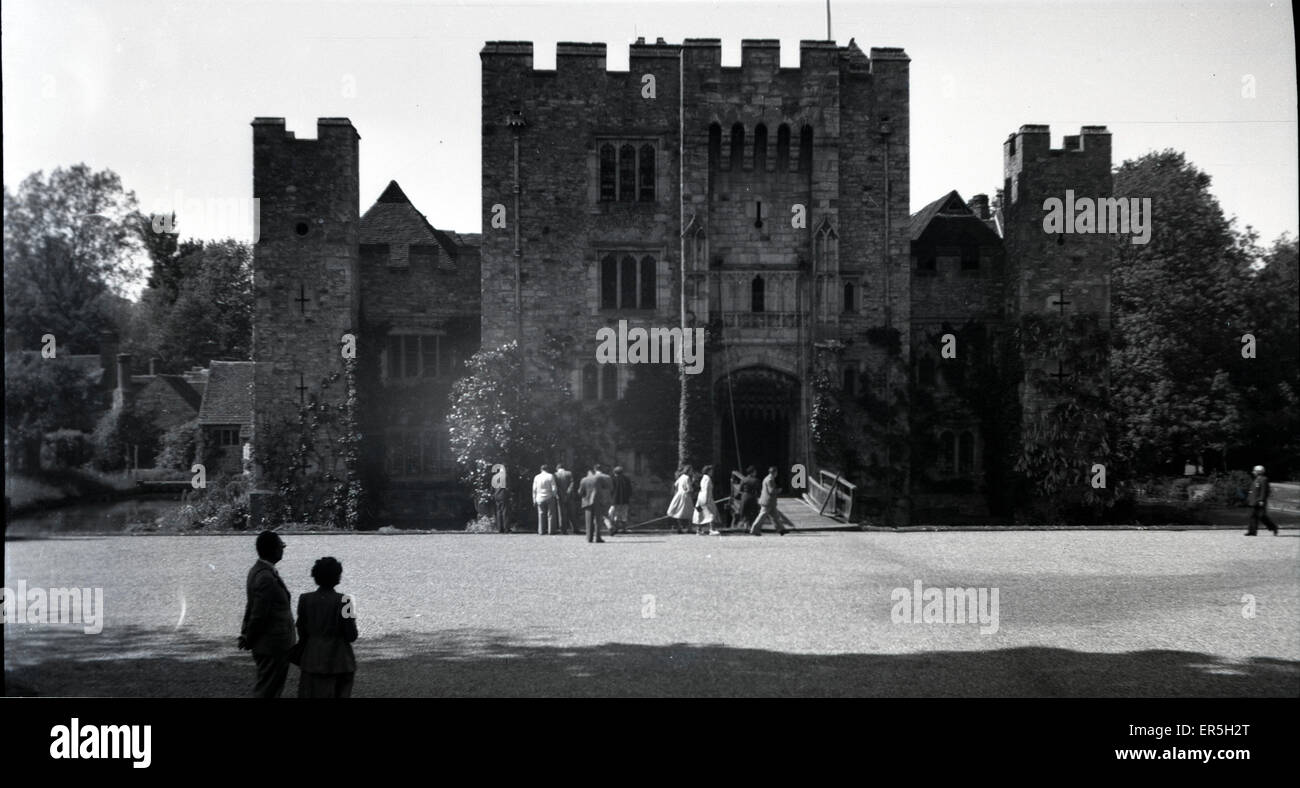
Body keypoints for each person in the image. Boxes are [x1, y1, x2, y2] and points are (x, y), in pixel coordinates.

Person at [238, 530, 296, 698]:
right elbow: (259, 614)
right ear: (274, 549)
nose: (283, 549)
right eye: (281, 546)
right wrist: (250, 636)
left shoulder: (258, 571)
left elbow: (252, 607)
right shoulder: (266, 577)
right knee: (268, 690)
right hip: (273, 644)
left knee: (269, 687)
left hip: (269, 643)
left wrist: (246, 634)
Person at [296, 557, 358, 698]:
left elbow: (301, 629)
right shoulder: (346, 601)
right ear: (337, 576)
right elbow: (351, 635)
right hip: (339, 659)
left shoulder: (305, 599)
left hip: (312, 658)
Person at [749, 466, 789, 536]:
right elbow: (771, 491)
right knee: (762, 516)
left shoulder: (767, 478)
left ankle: (781, 529)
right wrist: (778, 490)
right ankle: (754, 529)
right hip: (768, 501)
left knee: (775, 516)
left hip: (769, 501)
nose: (777, 474)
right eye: (776, 472)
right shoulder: (770, 480)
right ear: (774, 472)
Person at [1246, 464, 1279, 536]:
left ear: (1259, 472)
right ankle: (1252, 531)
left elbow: (1263, 491)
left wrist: (1261, 500)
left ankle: (1273, 527)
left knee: (1262, 516)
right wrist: (1249, 499)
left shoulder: (1264, 479)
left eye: (1254, 471)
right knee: (1252, 516)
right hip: (1253, 501)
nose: (1253, 472)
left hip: (1259, 501)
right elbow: (1253, 491)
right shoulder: (1256, 479)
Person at [578, 466, 605, 543]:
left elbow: (580, 492)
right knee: (597, 520)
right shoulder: (598, 479)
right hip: (597, 501)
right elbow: (602, 489)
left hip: (587, 502)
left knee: (588, 521)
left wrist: (584, 495)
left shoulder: (583, 480)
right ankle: (598, 537)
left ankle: (589, 538)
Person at [693, 465, 721, 535]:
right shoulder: (707, 478)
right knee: (712, 512)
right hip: (706, 498)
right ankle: (711, 529)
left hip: (701, 497)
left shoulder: (704, 478)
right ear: (708, 471)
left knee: (700, 513)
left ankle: (699, 530)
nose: (712, 472)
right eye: (711, 471)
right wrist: (707, 500)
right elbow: (706, 489)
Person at [666, 465, 694, 534]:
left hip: (679, 495)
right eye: (691, 470)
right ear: (689, 470)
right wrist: (690, 488)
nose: (692, 472)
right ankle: (689, 528)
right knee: (690, 512)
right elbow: (689, 489)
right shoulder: (687, 477)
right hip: (685, 496)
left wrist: (679, 490)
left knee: (678, 511)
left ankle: (679, 528)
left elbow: (675, 484)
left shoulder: (681, 477)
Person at [533, 464, 559, 535]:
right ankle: (551, 531)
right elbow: (554, 487)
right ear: (547, 469)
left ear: (541, 469)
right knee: (550, 514)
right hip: (549, 496)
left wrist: (534, 499)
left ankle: (541, 531)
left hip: (539, 497)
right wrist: (554, 495)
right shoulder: (550, 476)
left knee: (541, 514)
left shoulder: (537, 477)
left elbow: (534, 489)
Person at [609, 466, 633, 536]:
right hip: (625, 500)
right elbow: (630, 490)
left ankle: (615, 528)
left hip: (615, 500)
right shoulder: (626, 479)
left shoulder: (613, 479)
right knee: (624, 515)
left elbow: (611, 490)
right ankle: (624, 529)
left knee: (613, 514)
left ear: (614, 472)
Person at [737, 466, 761, 532]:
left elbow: (740, 489)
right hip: (752, 497)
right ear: (752, 472)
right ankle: (751, 527)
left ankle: (746, 527)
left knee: (745, 512)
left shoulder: (743, 480)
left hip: (744, 497)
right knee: (753, 512)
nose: (756, 473)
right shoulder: (756, 480)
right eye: (755, 472)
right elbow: (759, 491)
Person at [553, 462, 575, 535]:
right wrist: (568, 492)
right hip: (569, 496)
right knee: (571, 512)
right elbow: (572, 483)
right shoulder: (569, 473)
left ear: (557, 468)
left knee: (561, 513)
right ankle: (575, 528)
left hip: (560, 496)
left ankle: (563, 529)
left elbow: (556, 486)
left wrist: (560, 494)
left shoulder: (555, 475)